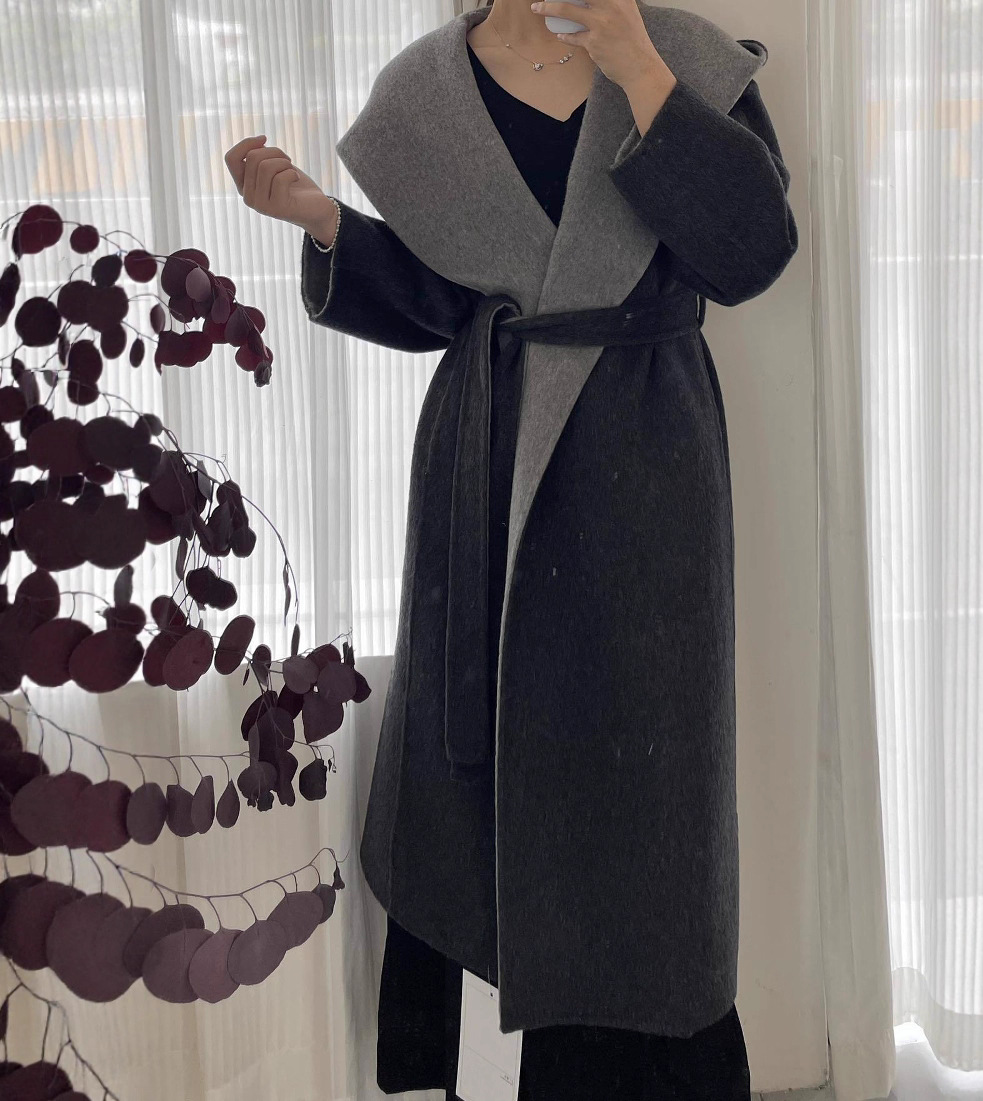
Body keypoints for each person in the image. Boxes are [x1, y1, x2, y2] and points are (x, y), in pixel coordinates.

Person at [226, 1, 796, 1097]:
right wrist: (324, 221)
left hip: (648, 467)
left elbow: (750, 254)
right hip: (485, 465)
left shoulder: (685, 56)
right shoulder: (423, 95)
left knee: (650, 798)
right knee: (479, 773)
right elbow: (453, 301)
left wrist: (639, 69)